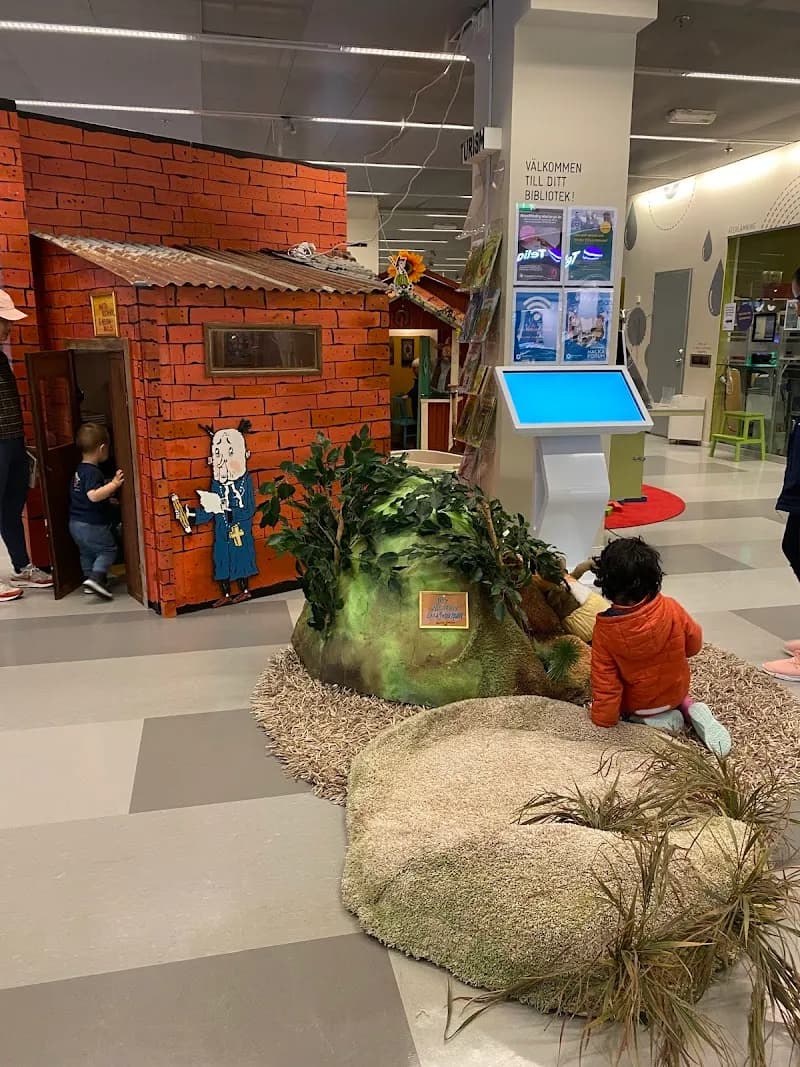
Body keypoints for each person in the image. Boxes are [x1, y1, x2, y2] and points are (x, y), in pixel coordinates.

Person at [590, 537, 731, 757]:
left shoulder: (605, 630)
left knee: (631, 709)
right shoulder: (671, 607)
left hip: (639, 703)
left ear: (605, 582)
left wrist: (603, 720)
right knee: (676, 694)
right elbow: (694, 645)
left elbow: (606, 682)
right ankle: (690, 709)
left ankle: (654, 721)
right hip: (676, 690)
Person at [0, 289, 53, 602]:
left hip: (13, 440)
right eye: (4, 321)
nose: (9, 328)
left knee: (11, 506)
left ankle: (22, 567)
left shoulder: (1, 357)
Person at [68, 423, 124, 600]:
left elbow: (84, 496)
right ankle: (97, 578)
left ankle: (88, 580)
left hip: (75, 523)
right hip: (92, 524)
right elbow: (93, 496)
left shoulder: (80, 470)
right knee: (107, 550)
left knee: (87, 552)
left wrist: (108, 499)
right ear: (101, 448)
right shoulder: (93, 473)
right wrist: (113, 485)